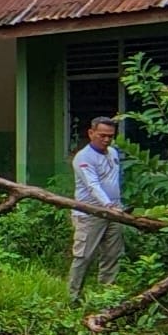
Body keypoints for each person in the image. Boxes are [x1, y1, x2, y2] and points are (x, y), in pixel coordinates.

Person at [69, 117, 125, 303]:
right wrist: (108, 205)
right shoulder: (83, 157)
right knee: (83, 257)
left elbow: (113, 181)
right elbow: (92, 185)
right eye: (102, 135)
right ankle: (73, 298)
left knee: (112, 255)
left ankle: (107, 298)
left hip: (114, 213)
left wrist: (115, 207)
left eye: (110, 136)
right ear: (91, 133)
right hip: (89, 213)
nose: (107, 139)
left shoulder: (113, 153)